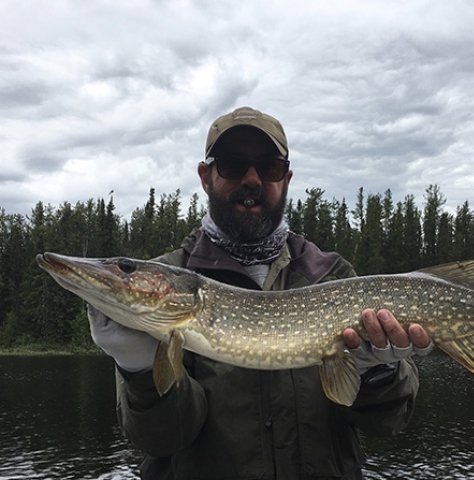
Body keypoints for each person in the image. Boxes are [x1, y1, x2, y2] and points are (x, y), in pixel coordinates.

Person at [88, 106, 433, 480]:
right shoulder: (177, 278)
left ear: (285, 178)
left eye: (268, 167)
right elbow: (163, 439)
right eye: (233, 165)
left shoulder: (329, 275)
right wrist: (140, 370)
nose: (251, 179)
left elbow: (388, 422)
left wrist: (377, 373)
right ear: (206, 177)